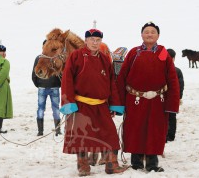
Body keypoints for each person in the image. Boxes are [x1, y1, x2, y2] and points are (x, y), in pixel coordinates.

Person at [60, 28, 127, 176]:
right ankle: (83, 167)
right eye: (92, 40)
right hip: (81, 105)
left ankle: (111, 165)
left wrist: (114, 104)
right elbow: (67, 80)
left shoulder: (104, 59)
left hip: (101, 105)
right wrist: (68, 103)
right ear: (86, 41)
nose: (95, 43)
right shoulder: (75, 56)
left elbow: (111, 83)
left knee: (110, 136)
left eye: (98, 40)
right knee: (82, 138)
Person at [117, 22, 180, 172]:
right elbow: (122, 78)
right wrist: (119, 103)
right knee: (135, 129)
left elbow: (172, 80)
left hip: (158, 101)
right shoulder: (133, 53)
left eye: (153, 32)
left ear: (158, 35)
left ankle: (152, 163)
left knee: (155, 130)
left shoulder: (163, 53)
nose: (150, 34)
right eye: (146, 32)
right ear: (141, 35)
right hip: (135, 100)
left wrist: (172, 104)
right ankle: (136, 162)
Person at [32, 40, 62, 136]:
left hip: (43, 87)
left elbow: (34, 74)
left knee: (41, 109)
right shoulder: (54, 58)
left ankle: (40, 132)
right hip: (54, 87)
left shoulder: (38, 58)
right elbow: (60, 73)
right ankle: (58, 130)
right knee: (56, 109)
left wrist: (38, 84)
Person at [166, 48, 184, 142]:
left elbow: (180, 85)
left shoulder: (176, 71)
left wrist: (179, 97)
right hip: (169, 97)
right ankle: (169, 135)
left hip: (169, 97)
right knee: (170, 116)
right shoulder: (177, 70)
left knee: (170, 116)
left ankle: (169, 135)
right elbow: (181, 85)